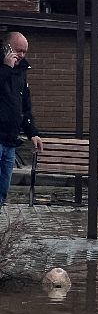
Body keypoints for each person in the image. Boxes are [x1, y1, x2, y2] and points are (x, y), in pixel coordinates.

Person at [0, 31, 42, 206]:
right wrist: (6, 68)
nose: (22, 55)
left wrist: (33, 133)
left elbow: (25, 107)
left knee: (2, 191)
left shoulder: (22, 72)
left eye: (25, 52)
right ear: (7, 48)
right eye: (19, 51)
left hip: (10, 141)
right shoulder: (4, 68)